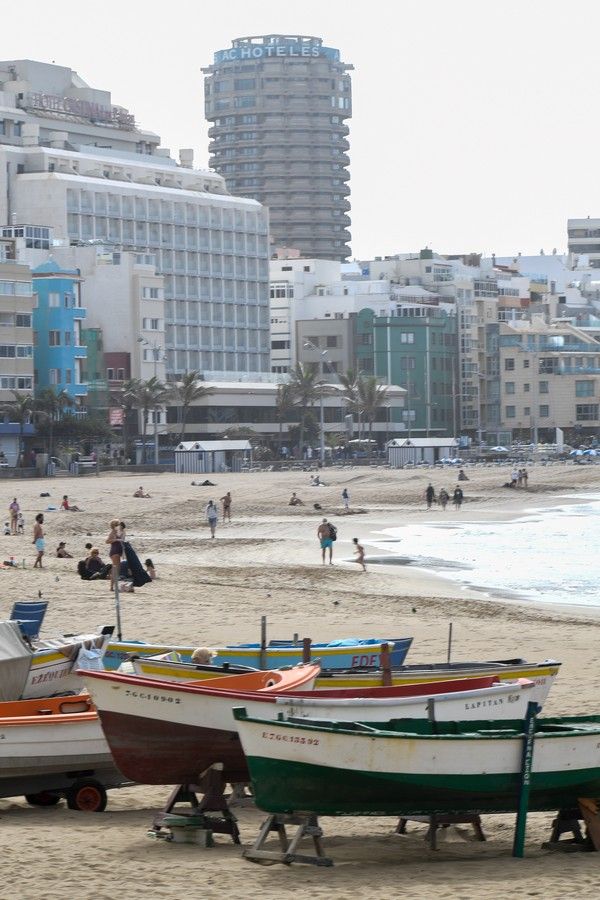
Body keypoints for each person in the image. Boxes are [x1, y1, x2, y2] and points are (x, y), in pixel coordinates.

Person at [106, 518, 124, 590]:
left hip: (118, 552)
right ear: (114, 526)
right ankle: (112, 587)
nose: (118, 525)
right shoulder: (113, 532)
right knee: (116, 569)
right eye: (117, 524)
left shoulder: (118, 531)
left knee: (117, 569)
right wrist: (116, 540)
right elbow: (107, 541)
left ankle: (113, 586)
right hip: (115, 552)